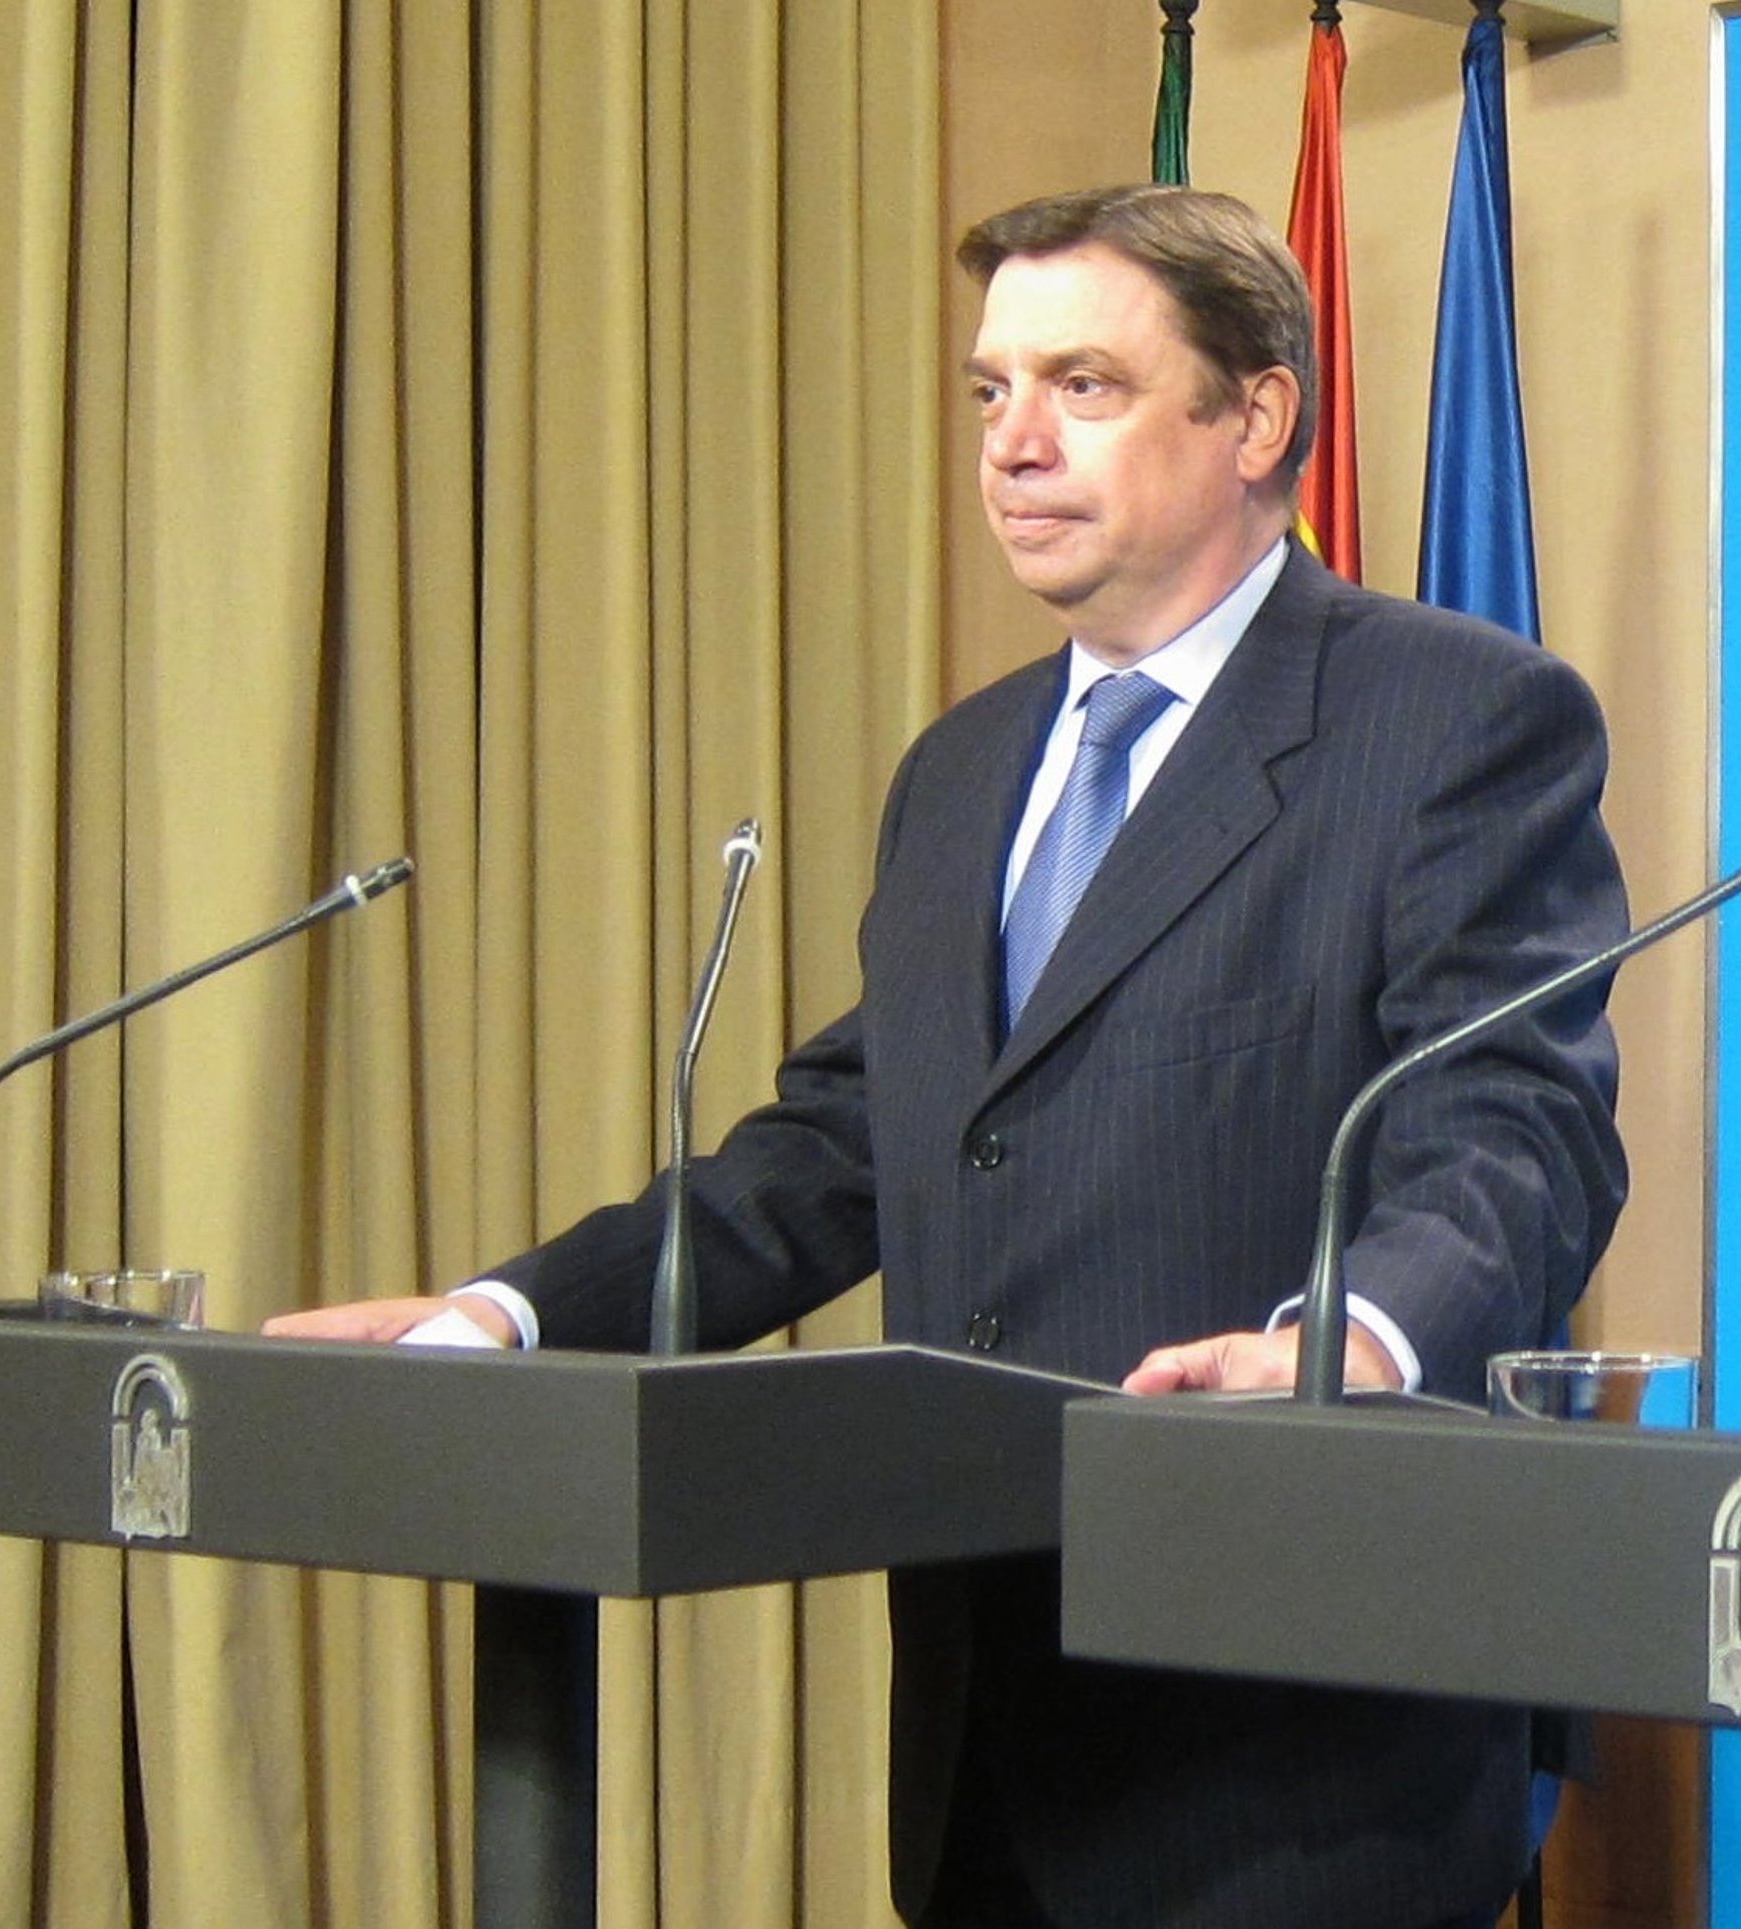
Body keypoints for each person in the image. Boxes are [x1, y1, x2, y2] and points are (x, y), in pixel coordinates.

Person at [268, 184, 1628, 1927]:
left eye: (1083, 385)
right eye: (991, 390)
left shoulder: (1453, 718)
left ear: (1257, 416)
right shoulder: (964, 770)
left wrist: (1346, 1339)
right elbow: (846, 1142)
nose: (1013, 442)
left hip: (1289, 1757)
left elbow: (1517, 1125)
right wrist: (507, 1318)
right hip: (986, 1738)